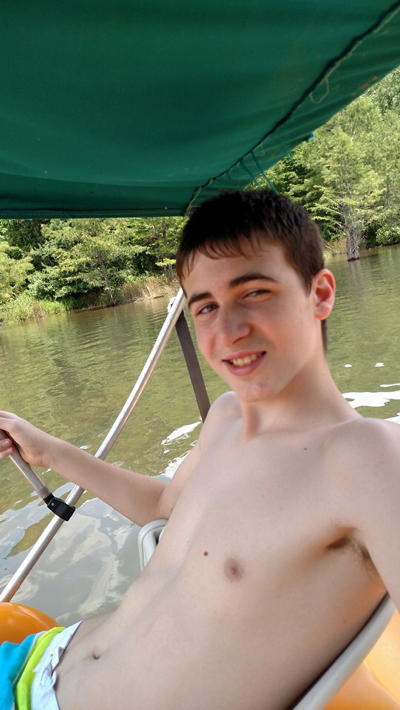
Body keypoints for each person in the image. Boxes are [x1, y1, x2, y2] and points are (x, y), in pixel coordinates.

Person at [1, 188, 400, 710]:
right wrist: (46, 450)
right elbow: (162, 506)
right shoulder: (226, 416)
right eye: (206, 307)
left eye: (254, 292)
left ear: (320, 294)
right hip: (39, 661)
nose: (228, 331)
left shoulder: (369, 458)